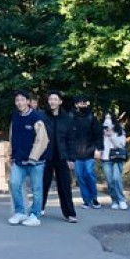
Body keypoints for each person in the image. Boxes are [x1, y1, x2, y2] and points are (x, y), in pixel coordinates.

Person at [7, 89, 49, 227]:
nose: (19, 102)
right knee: (14, 184)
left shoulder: (36, 117)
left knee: (37, 189)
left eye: (22, 100)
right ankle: (20, 212)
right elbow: (12, 136)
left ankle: (34, 215)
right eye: (17, 100)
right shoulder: (15, 117)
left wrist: (33, 157)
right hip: (18, 160)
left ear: (28, 102)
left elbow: (42, 139)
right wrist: (11, 154)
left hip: (35, 162)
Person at [40, 91, 77, 223]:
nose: (52, 101)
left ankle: (70, 213)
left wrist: (71, 158)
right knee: (42, 183)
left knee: (65, 185)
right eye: (50, 99)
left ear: (60, 101)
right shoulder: (43, 116)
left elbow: (71, 140)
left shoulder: (67, 118)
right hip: (46, 155)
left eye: (55, 99)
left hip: (62, 156)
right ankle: (39, 208)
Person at [69, 95, 103, 209]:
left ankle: (94, 198)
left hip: (89, 151)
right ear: (76, 104)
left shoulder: (91, 117)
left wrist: (98, 149)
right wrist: (69, 155)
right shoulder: (71, 117)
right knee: (80, 176)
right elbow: (68, 136)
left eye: (85, 103)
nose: (83, 105)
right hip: (76, 153)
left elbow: (98, 134)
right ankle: (86, 200)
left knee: (89, 174)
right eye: (81, 103)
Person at [100, 112, 128, 210]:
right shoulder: (100, 132)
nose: (108, 121)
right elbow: (98, 145)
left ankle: (122, 200)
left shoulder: (119, 130)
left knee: (117, 178)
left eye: (109, 118)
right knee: (110, 181)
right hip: (105, 158)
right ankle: (114, 200)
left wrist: (111, 136)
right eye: (106, 118)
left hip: (117, 158)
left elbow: (121, 145)